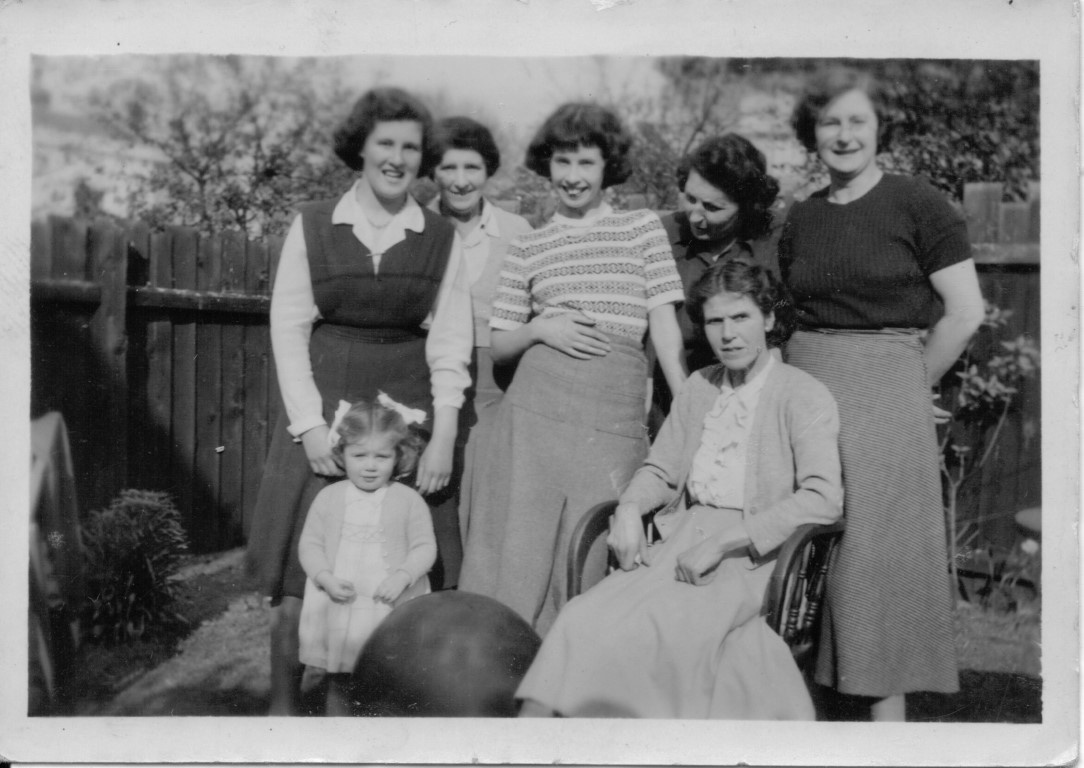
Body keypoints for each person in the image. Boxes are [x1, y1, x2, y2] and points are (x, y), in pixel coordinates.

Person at [516, 257, 843, 718]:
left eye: (741, 317)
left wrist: (726, 542)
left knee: (665, 628)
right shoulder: (699, 387)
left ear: (769, 319)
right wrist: (629, 508)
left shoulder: (802, 393)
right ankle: (531, 742)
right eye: (714, 322)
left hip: (754, 556)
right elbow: (661, 470)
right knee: (580, 618)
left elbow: (823, 498)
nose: (728, 334)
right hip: (679, 540)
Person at [246, 86, 472, 715]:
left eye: (410, 147)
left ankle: (386, 704)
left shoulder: (439, 236)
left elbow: (451, 343)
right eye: (385, 144)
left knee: (400, 557)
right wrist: (309, 427)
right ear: (361, 150)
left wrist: (444, 436)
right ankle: (284, 707)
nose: (397, 159)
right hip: (324, 401)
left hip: (407, 408)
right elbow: (288, 328)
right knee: (302, 567)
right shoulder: (315, 223)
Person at [779, 68, 985, 721]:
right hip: (805, 384)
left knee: (870, 556)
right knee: (796, 545)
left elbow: (966, 312)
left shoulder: (918, 203)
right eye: (830, 122)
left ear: (879, 129)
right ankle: (787, 710)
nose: (844, 135)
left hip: (884, 392)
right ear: (812, 132)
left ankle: (885, 734)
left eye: (857, 121)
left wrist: (909, 385)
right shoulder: (802, 216)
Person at [458, 102, 688, 634]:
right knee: (521, 551)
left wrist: (688, 407)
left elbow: (663, 324)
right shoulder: (529, 245)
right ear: (548, 165)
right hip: (535, 416)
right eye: (563, 161)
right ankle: (511, 664)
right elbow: (500, 343)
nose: (573, 176)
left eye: (586, 162)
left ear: (608, 167)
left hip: (610, 417)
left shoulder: (642, 228)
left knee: (594, 546)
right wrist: (542, 329)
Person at [426, 117, 534, 541]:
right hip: (428, 378)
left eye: (471, 168)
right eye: (448, 168)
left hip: (495, 385)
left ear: (488, 171)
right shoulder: (416, 227)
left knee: (484, 497)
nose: (460, 181)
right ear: (432, 172)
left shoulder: (517, 232)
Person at [297, 397, 436, 715]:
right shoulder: (329, 498)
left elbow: (424, 547)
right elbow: (310, 545)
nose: (370, 466)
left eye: (381, 456)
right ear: (342, 454)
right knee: (340, 676)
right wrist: (325, 578)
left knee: (389, 676)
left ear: (398, 456)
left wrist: (403, 576)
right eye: (359, 455)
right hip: (341, 600)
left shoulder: (408, 500)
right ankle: (339, 734)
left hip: (388, 601)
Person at [654, 133, 782, 416]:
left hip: (752, 397)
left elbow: (782, 326)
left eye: (713, 208)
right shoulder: (662, 235)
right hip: (674, 397)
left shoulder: (773, 241)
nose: (695, 216)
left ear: (747, 206)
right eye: (690, 199)